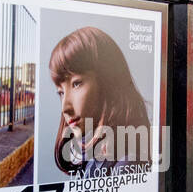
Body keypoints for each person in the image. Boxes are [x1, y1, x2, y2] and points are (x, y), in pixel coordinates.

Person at [48, 26, 152, 177]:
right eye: (61, 93)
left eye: (76, 83)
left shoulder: (126, 164)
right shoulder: (92, 155)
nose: (65, 107)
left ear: (108, 81)